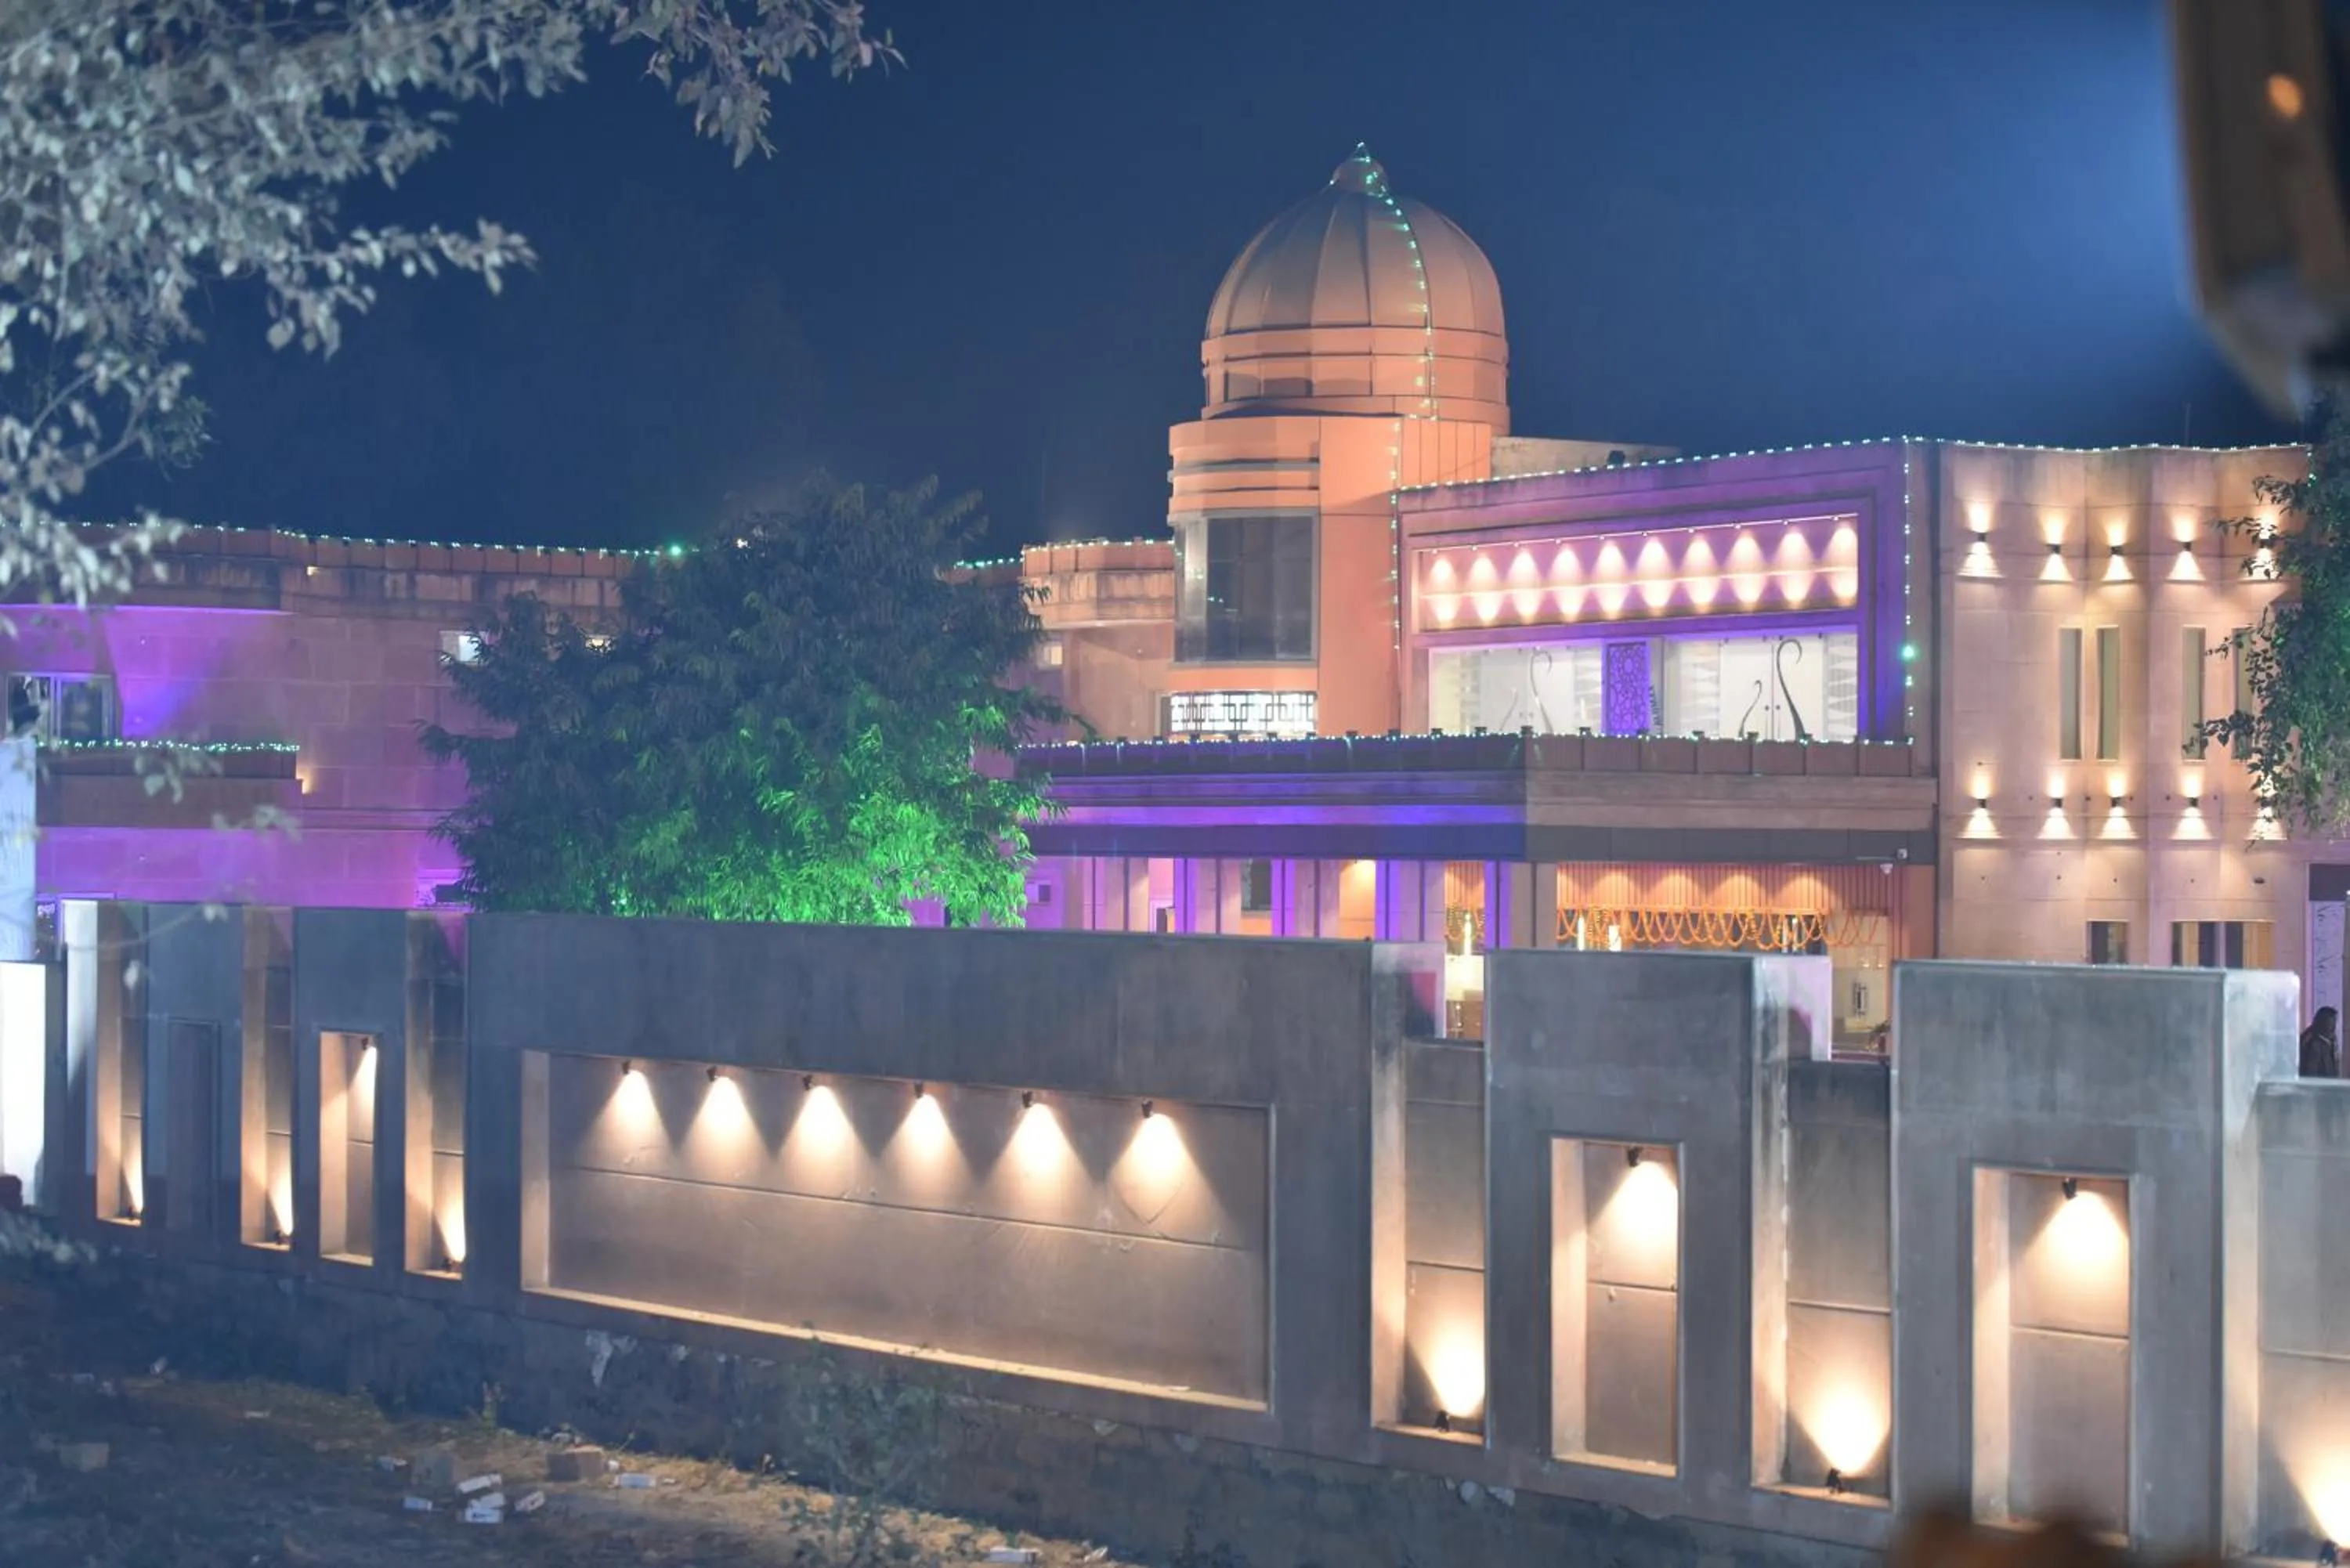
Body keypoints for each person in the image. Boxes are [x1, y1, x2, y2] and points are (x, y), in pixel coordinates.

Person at [2300, 1006, 2341, 1078]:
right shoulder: (2313, 1044)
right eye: (2331, 1024)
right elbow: (2311, 1074)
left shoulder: (2331, 1041)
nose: (2334, 1028)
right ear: (2323, 1023)